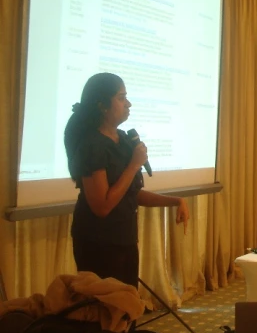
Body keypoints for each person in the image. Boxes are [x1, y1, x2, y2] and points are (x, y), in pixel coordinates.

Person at [64, 72, 190, 288]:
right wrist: (134, 165)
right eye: (121, 98)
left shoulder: (123, 140)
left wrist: (175, 201)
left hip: (124, 238)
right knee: (106, 313)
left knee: (126, 309)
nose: (128, 104)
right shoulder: (92, 145)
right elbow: (102, 206)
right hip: (98, 243)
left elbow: (130, 193)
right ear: (102, 105)